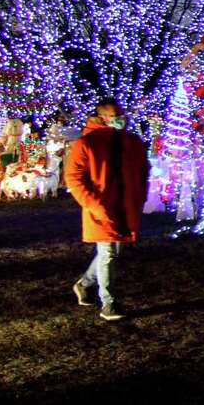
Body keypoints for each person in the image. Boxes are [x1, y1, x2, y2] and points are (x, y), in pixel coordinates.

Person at [65, 99, 150, 321]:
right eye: (116, 114)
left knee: (114, 252)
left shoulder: (132, 142)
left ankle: (84, 284)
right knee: (108, 254)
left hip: (125, 207)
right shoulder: (87, 143)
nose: (121, 117)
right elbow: (74, 178)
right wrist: (93, 203)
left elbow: (143, 170)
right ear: (102, 117)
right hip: (101, 209)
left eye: (121, 113)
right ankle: (109, 303)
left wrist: (139, 196)